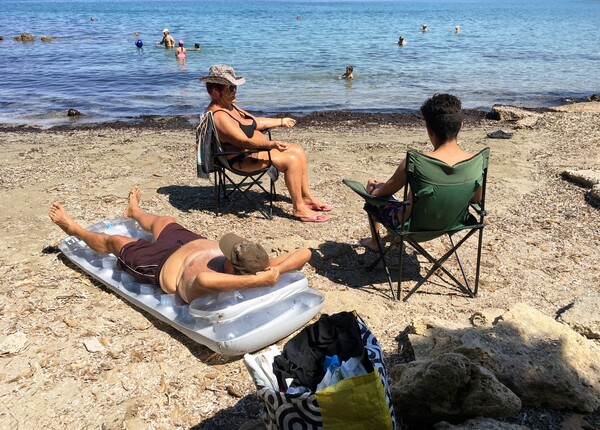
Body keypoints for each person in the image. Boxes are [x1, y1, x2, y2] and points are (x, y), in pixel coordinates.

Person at [49, 187, 312, 303]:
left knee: (116, 241)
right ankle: (134, 211)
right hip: (189, 242)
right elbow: (305, 253)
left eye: (229, 254)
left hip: (159, 262)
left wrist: (257, 282)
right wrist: (275, 271)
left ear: (233, 269)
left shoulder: (209, 281)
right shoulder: (260, 266)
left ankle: (74, 228)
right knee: (165, 220)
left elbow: (206, 280)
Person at [199, 64, 332, 222]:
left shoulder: (229, 107)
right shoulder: (219, 116)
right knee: (292, 160)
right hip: (240, 160)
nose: (235, 91)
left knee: (298, 150)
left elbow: (254, 122)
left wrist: (281, 121)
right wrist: (271, 145)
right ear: (215, 92)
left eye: (235, 87)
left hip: (251, 153)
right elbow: (243, 141)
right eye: (230, 88)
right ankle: (299, 208)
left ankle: (306, 196)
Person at [359, 94, 483, 250]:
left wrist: (374, 190)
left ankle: (375, 242)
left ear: (429, 130)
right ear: (460, 126)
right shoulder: (476, 162)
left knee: (373, 186)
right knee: (413, 194)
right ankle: (394, 238)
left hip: (412, 226)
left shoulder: (415, 163)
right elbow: (476, 199)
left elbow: (382, 194)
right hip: (454, 223)